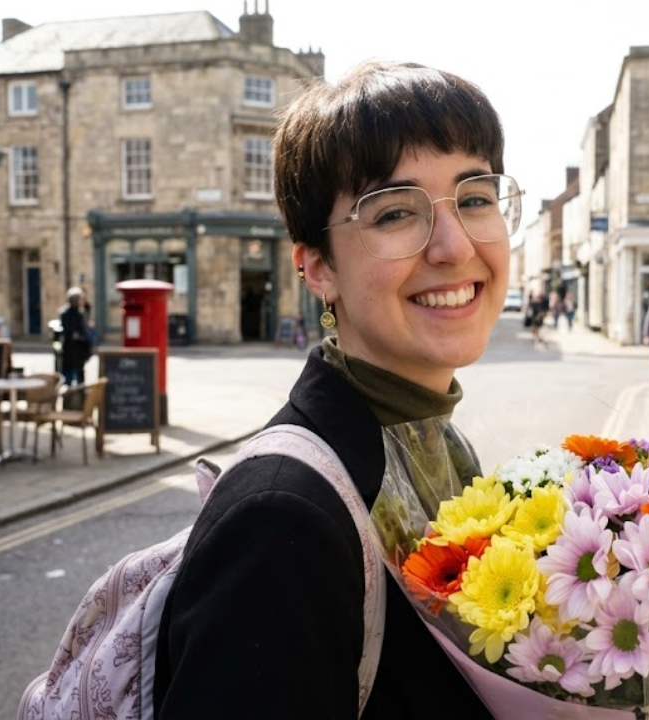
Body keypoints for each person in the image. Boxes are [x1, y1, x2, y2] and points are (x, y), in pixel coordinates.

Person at [153, 60, 517, 718]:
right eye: (395, 213)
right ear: (317, 267)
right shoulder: (280, 524)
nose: (454, 246)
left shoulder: (437, 445)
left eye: (474, 197)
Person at [58, 287, 94, 385]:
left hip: (79, 349)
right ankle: (70, 397)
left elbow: (84, 330)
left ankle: (80, 395)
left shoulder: (81, 312)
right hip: (71, 348)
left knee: (79, 374)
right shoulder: (67, 313)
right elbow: (68, 331)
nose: (82, 301)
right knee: (69, 374)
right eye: (80, 299)